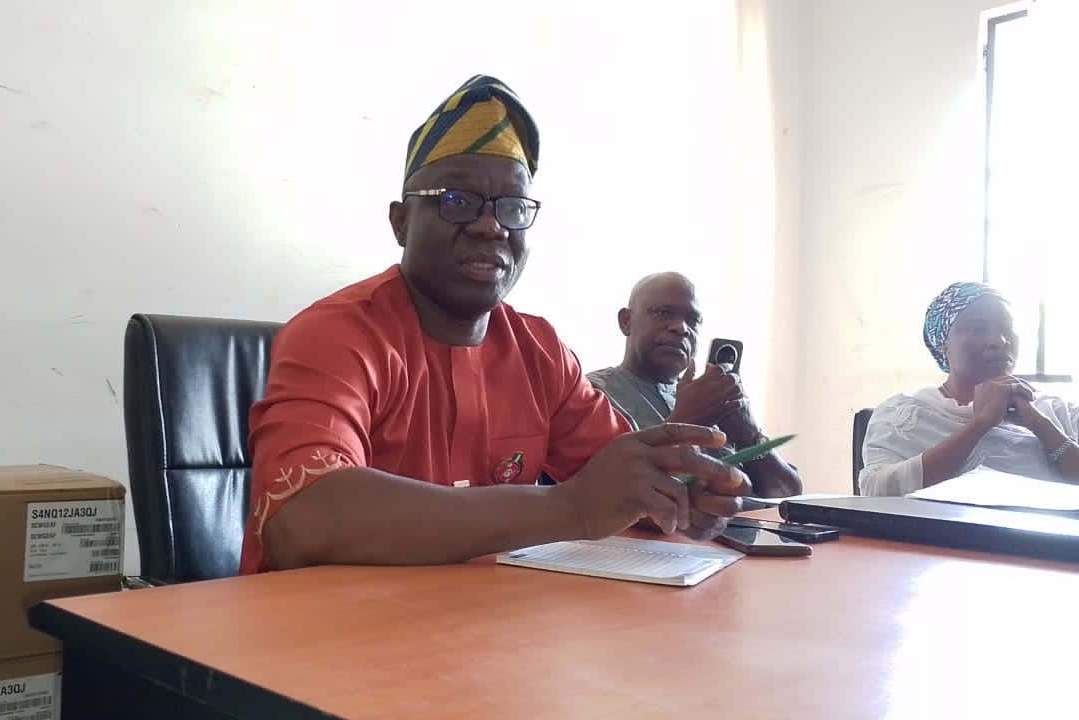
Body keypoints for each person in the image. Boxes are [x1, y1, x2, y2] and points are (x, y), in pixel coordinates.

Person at [241, 75, 751, 574]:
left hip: (487, 621)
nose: (491, 226)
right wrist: (569, 508)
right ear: (401, 222)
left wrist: (685, 497)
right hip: (324, 625)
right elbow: (303, 518)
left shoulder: (539, 350)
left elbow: (624, 484)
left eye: (513, 207)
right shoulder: (338, 335)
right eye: (456, 201)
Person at [587, 273, 802, 497]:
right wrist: (689, 419)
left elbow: (787, 495)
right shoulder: (593, 394)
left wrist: (748, 433)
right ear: (626, 321)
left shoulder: (713, 397)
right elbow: (608, 494)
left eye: (693, 320)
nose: (681, 328)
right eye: (664, 313)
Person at [859, 282, 1079, 495]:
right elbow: (876, 491)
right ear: (944, 344)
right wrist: (980, 424)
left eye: (1007, 328)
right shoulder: (903, 415)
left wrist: (1040, 425)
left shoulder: (1056, 410)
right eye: (978, 328)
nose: (999, 341)